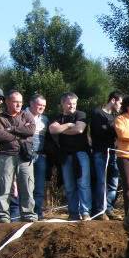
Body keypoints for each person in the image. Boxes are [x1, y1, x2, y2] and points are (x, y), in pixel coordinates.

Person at [49, 92, 91, 221]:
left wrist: (61, 129)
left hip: (81, 154)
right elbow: (52, 130)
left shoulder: (81, 114)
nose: (72, 106)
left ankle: (85, 212)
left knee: (83, 184)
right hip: (65, 156)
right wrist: (68, 125)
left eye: (74, 103)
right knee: (69, 185)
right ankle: (73, 213)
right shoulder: (58, 117)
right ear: (62, 104)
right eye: (69, 103)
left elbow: (79, 129)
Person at [0, 90, 36, 223]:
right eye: (15, 101)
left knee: (27, 186)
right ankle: (3, 216)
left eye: (20, 102)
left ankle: (28, 214)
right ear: (7, 101)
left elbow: (31, 130)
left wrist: (11, 129)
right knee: (5, 187)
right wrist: (20, 133)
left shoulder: (27, 114)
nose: (18, 104)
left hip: (25, 156)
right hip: (6, 156)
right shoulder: (0, 116)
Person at [90, 90, 123, 220]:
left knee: (113, 182)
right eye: (120, 102)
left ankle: (109, 209)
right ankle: (99, 210)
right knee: (101, 182)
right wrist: (113, 129)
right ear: (113, 100)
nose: (120, 106)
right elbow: (98, 132)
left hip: (113, 153)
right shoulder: (97, 113)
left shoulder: (115, 117)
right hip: (100, 153)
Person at [25, 93, 48, 220]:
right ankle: (21, 214)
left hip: (40, 156)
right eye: (39, 105)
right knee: (25, 186)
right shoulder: (21, 115)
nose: (42, 107)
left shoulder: (45, 119)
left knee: (39, 186)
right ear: (31, 103)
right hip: (23, 156)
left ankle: (38, 213)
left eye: (44, 105)